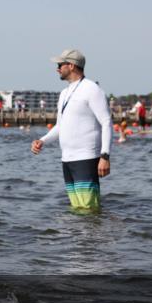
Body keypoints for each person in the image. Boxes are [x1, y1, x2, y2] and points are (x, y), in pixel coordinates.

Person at [31, 50, 112, 213]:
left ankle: (93, 237)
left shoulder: (92, 89)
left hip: (86, 157)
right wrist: (43, 141)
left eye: (60, 65)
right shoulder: (64, 93)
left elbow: (106, 122)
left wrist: (105, 156)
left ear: (72, 65)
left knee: (89, 209)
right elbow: (60, 126)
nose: (57, 69)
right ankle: (77, 238)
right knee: (77, 209)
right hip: (67, 159)